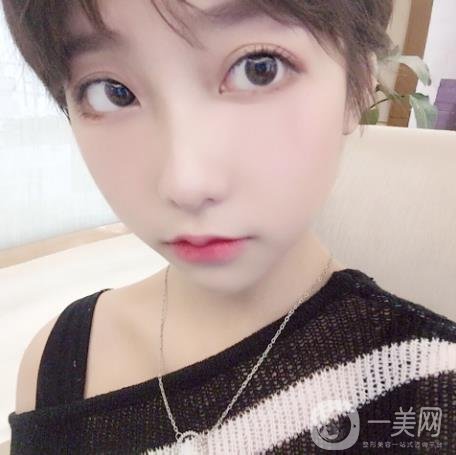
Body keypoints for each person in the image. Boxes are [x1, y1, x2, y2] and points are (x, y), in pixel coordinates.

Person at [3, 0, 455, 453]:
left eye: (259, 69)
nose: (186, 183)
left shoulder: (431, 387)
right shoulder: (54, 365)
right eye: (111, 91)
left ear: (357, 87)